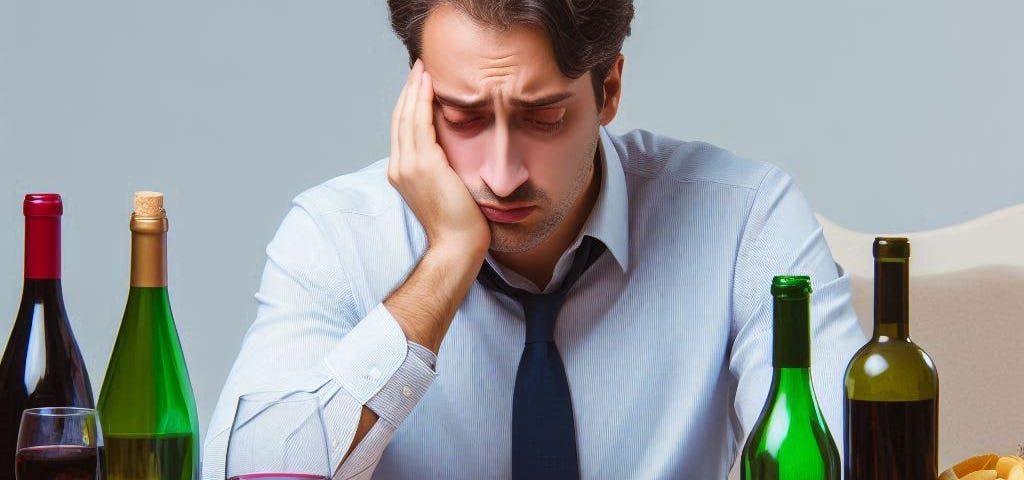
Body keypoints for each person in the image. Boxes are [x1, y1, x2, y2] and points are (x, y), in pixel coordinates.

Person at [203, 1, 866, 478]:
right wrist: (445, 266)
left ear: (609, 89)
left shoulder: (744, 220)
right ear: (416, 96)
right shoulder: (337, 235)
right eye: (462, 116)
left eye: (542, 117)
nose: (501, 173)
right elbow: (254, 470)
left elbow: (845, 454)